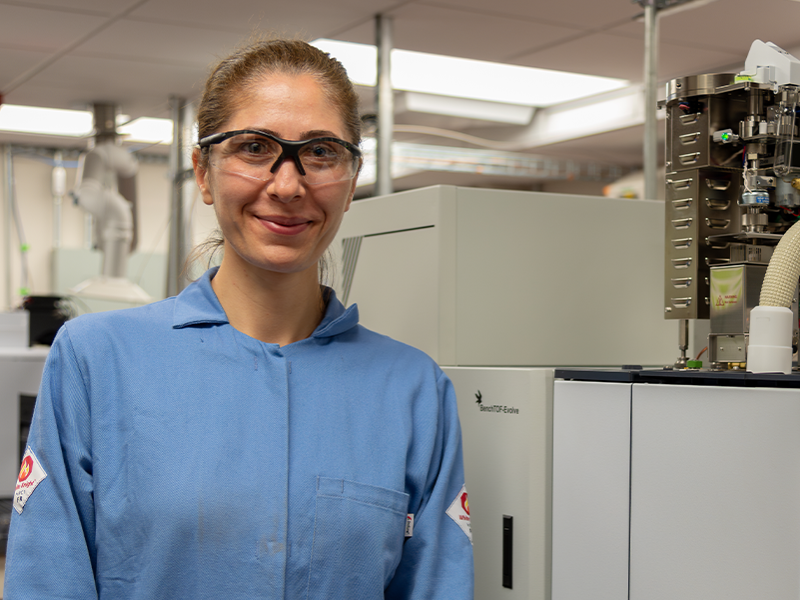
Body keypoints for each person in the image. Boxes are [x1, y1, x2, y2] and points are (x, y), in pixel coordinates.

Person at [4, 38, 474, 599]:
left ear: (351, 181)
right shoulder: (97, 359)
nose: (287, 184)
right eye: (253, 147)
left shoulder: (413, 389)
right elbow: (49, 582)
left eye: (322, 152)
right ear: (204, 173)